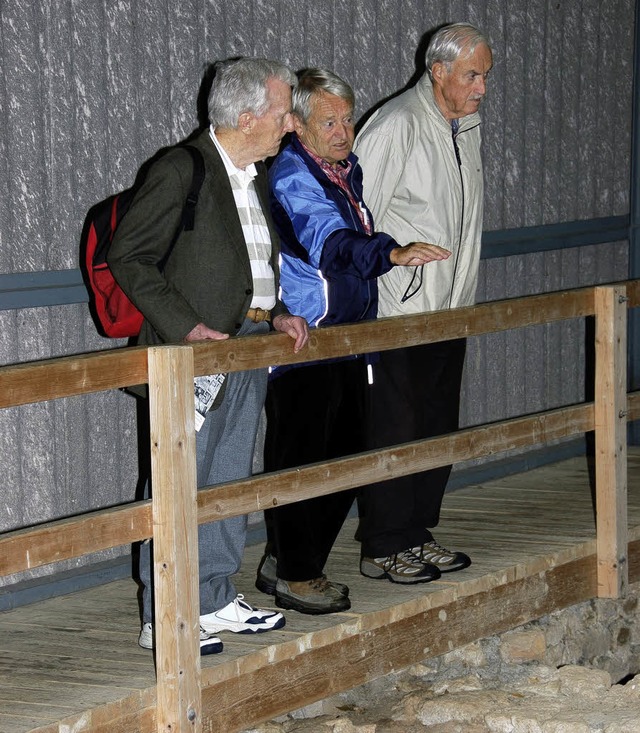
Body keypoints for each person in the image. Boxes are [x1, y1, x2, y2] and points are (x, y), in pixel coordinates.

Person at [108, 57, 309, 653]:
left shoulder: (256, 175)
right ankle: (163, 614)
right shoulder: (182, 169)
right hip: (189, 355)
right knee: (177, 480)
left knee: (227, 476)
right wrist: (185, 326)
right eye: (281, 114)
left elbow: (248, 263)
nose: (290, 126)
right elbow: (129, 257)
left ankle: (214, 597)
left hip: (245, 348)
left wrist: (275, 313)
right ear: (246, 117)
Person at [255, 68, 450, 614]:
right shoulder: (294, 175)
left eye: (348, 118)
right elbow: (330, 243)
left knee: (345, 457)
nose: (344, 131)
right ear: (296, 124)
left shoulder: (343, 169)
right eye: (329, 121)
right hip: (305, 343)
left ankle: (288, 561)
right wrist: (389, 253)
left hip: (347, 339)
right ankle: (297, 573)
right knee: (303, 461)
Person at [353, 23, 493, 583]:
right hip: (401, 312)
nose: (482, 87)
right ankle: (382, 544)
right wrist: (392, 264)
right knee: (395, 428)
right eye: (473, 75)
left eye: (486, 75)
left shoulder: (467, 126)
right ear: (438, 71)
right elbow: (357, 219)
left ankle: (417, 532)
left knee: (436, 426)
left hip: (451, 308)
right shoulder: (396, 125)